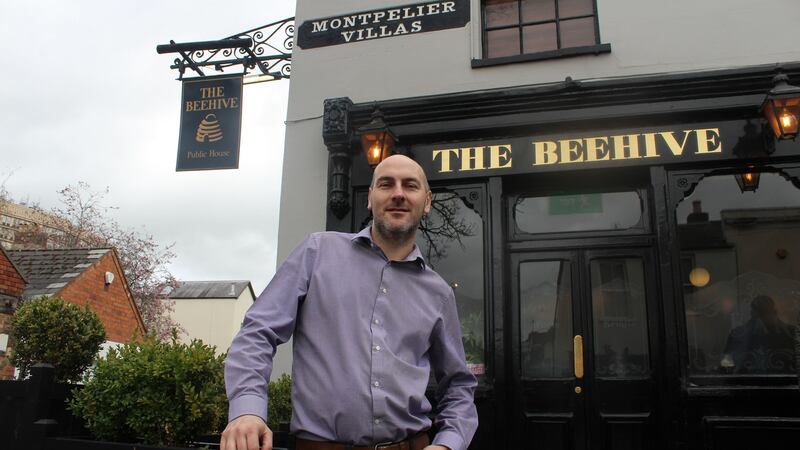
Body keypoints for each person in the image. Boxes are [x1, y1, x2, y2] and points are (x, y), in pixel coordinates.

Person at [222, 155, 478, 450]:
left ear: (427, 201)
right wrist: (247, 410)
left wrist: (448, 444)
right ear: (370, 198)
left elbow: (459, 385)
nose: (398, 193)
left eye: (410, 185)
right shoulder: (317, 253)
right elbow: (257, 332)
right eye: (386, 184)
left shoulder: (439, 293)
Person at [720, 294, 796, 374]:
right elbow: (727, 363)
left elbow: (727, 364)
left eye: (765, 312)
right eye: (762, 312)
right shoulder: (738, 333)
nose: (763, 318)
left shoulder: (791, 332)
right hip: (752, 381)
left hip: (781, 381)